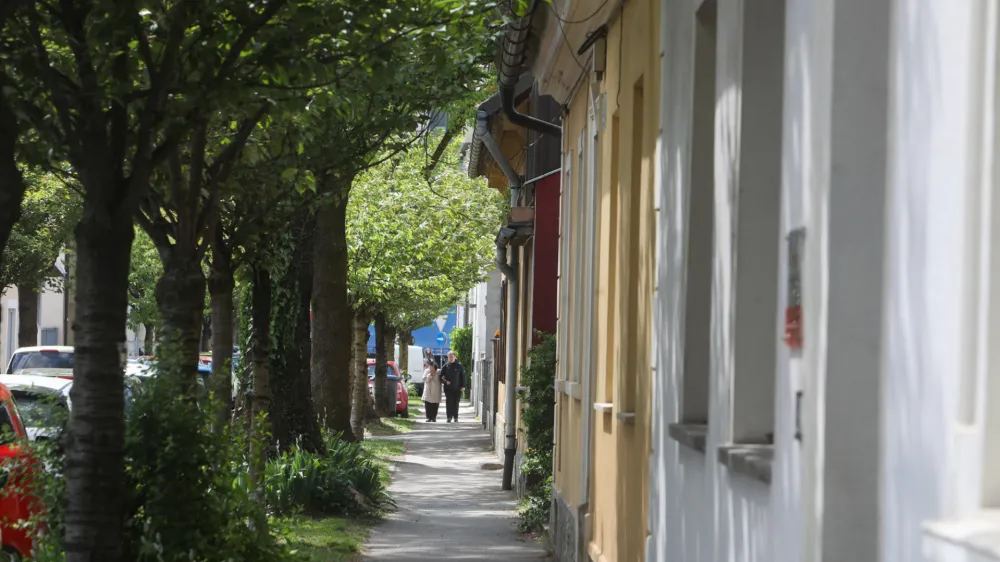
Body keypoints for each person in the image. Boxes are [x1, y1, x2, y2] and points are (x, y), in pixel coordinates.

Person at [439, 351, 466, 423]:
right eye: (449, 357)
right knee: (449, 403)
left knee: (456, 403)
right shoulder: (445, 366)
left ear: (455, 357)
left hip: (457, 388)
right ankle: (449, 417)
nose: (450, 358)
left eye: (452, 356)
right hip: (448, 389)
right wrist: (445, 381)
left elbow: (463, 376)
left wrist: (463, 386)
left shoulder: (459, 366)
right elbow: (441, 377)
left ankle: (456, 417)